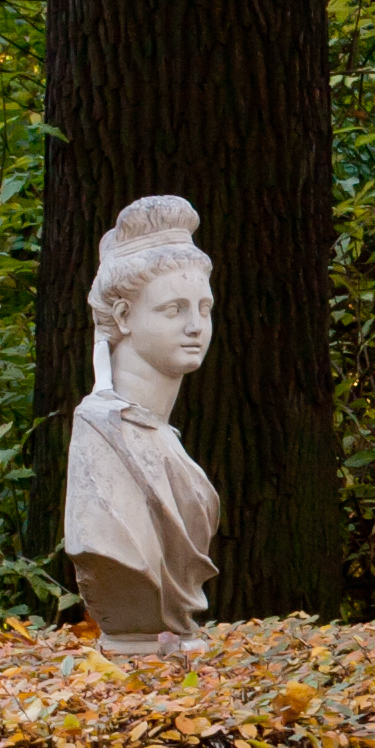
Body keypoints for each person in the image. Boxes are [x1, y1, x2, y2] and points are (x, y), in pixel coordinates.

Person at [66, 196, 220, 652]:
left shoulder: (160, 439)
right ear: (123, 317)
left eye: (205, 308)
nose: (196, 326)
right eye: (174, 309)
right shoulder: (103, 436)